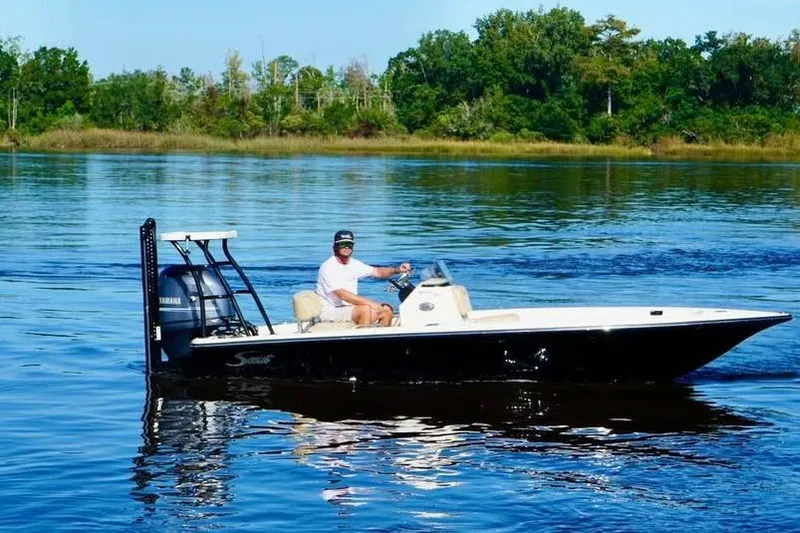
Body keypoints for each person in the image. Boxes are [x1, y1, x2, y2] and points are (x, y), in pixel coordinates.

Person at [316, 229, 411, 326]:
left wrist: (396, 270)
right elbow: (342, 295)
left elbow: (377, 271)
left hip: (348, 308)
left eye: (350, 244)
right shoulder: (328, 267)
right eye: (343, 244)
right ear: (334, 247)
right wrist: (371, 304)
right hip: (330, 311)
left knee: (386, 309)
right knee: (365, 309)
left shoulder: (354, 264)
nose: (346, 247)